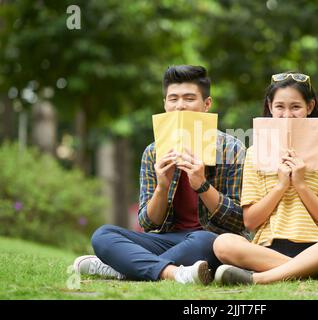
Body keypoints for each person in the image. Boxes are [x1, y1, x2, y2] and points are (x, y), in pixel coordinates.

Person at [73, 65, 246, 285]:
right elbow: (147, 222)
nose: (180, 106)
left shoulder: (231, 149)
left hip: (213, 240)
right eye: (173, 99)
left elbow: (239, 221)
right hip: (168, 241)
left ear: (207, 104)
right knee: (103, 235)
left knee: (203, 241)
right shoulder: (153, 152)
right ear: (165, 104)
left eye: (189, 98)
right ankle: (172, 273)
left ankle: (122, 269)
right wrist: (162, 187)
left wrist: (202, 185)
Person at [212, 72, 318, 285]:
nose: (287, 115)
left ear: (309, 107)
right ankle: (314, 272)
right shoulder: (255, 153)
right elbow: (251, 221)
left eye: (296, 107)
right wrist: (281, 185)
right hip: (267, 248)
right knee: (223, 243)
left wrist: (300, 184)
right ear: (270, 107)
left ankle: (260, 279)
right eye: (280, 107)